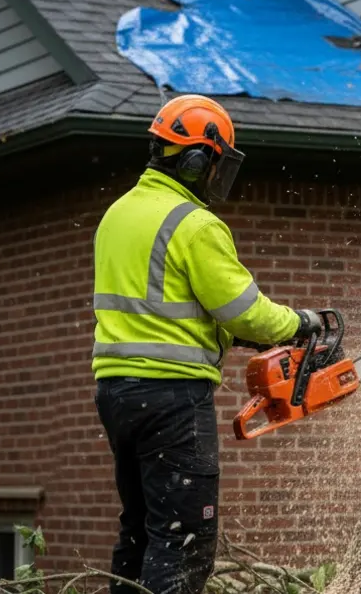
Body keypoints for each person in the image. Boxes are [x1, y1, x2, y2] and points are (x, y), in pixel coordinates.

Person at [90, 94, 329, 594]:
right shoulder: (193, 224)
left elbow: (163, 303)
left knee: (141, 531)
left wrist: (222, 332)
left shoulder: (117, 215)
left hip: (116, 394)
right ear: (198, 160)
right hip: (171, 399)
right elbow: (247, 310)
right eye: (214, 162)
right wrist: (299, 323)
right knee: (184, 541)